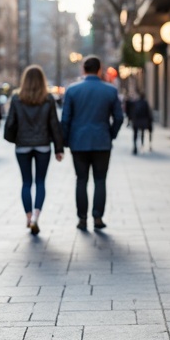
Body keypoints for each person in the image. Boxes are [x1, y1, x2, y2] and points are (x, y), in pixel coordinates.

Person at [61, 56, 124, 230]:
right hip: (102, 141)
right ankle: (97, 217)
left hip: (78, 142)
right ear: (99, 69)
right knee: (100, 180)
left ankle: (82, 219)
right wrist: (111, 134)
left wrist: (65, 141)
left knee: (81, 180)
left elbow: (65, 119)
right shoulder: (110, 91)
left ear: (83, 69)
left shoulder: (72, 91)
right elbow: (119, 117)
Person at [4, 66, 65, 235]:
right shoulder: (48, 99)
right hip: (43, 145)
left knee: (26, 182)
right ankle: (37, 217)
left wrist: (13, 139)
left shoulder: (17, 98)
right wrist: (58, 148)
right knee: (40, 182)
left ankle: (28, 217)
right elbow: (54, 124)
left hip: (22, 145)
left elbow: (10, 123)